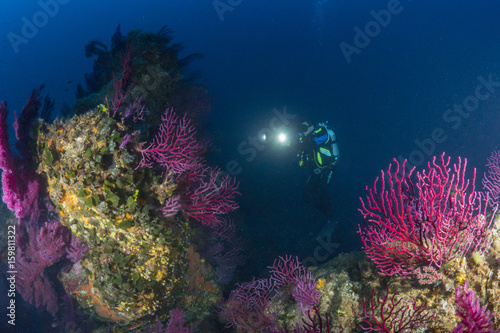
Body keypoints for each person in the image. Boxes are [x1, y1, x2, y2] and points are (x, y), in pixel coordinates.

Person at [292, 119, 339, 224]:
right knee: (306, 196)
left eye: (304, 128)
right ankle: (326, 216)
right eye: (301, 128)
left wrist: (291, 143)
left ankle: (331, 219)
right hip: (315, 172)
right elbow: (301, 146)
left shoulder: (322, 133)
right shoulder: (304, 138)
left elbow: (310, 145)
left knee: (321, 192)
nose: (302, 131)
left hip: (328, 169)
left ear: (311, 127)